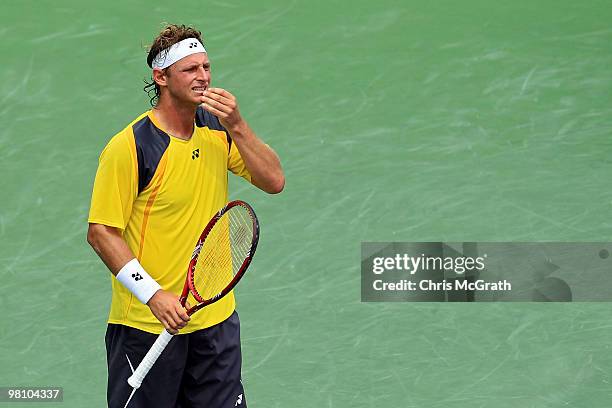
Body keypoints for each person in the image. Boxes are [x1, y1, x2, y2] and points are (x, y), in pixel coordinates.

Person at [87, 23, 284, 408]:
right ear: (161, 77)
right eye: (190, 70)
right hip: (146, 326)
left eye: (207, 67)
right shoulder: (131, 146)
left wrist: (239, 126)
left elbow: (274, 180)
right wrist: (153, 295)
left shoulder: (217, 131)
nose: (204, 77)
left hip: (215, 321)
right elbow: (101, 233)